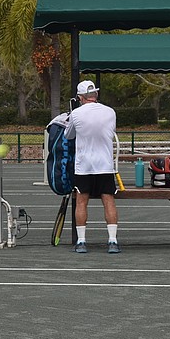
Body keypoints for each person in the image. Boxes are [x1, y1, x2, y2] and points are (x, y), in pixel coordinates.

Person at [64, 79, 121, 254]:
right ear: (95, 95)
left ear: (80, 97)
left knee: (81, 202)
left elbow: (69, 135)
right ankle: (112, 240)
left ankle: (81, 242)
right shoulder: (110, 112)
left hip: (84, 166)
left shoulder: (76, 114)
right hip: (105, 164)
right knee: (108, 200)